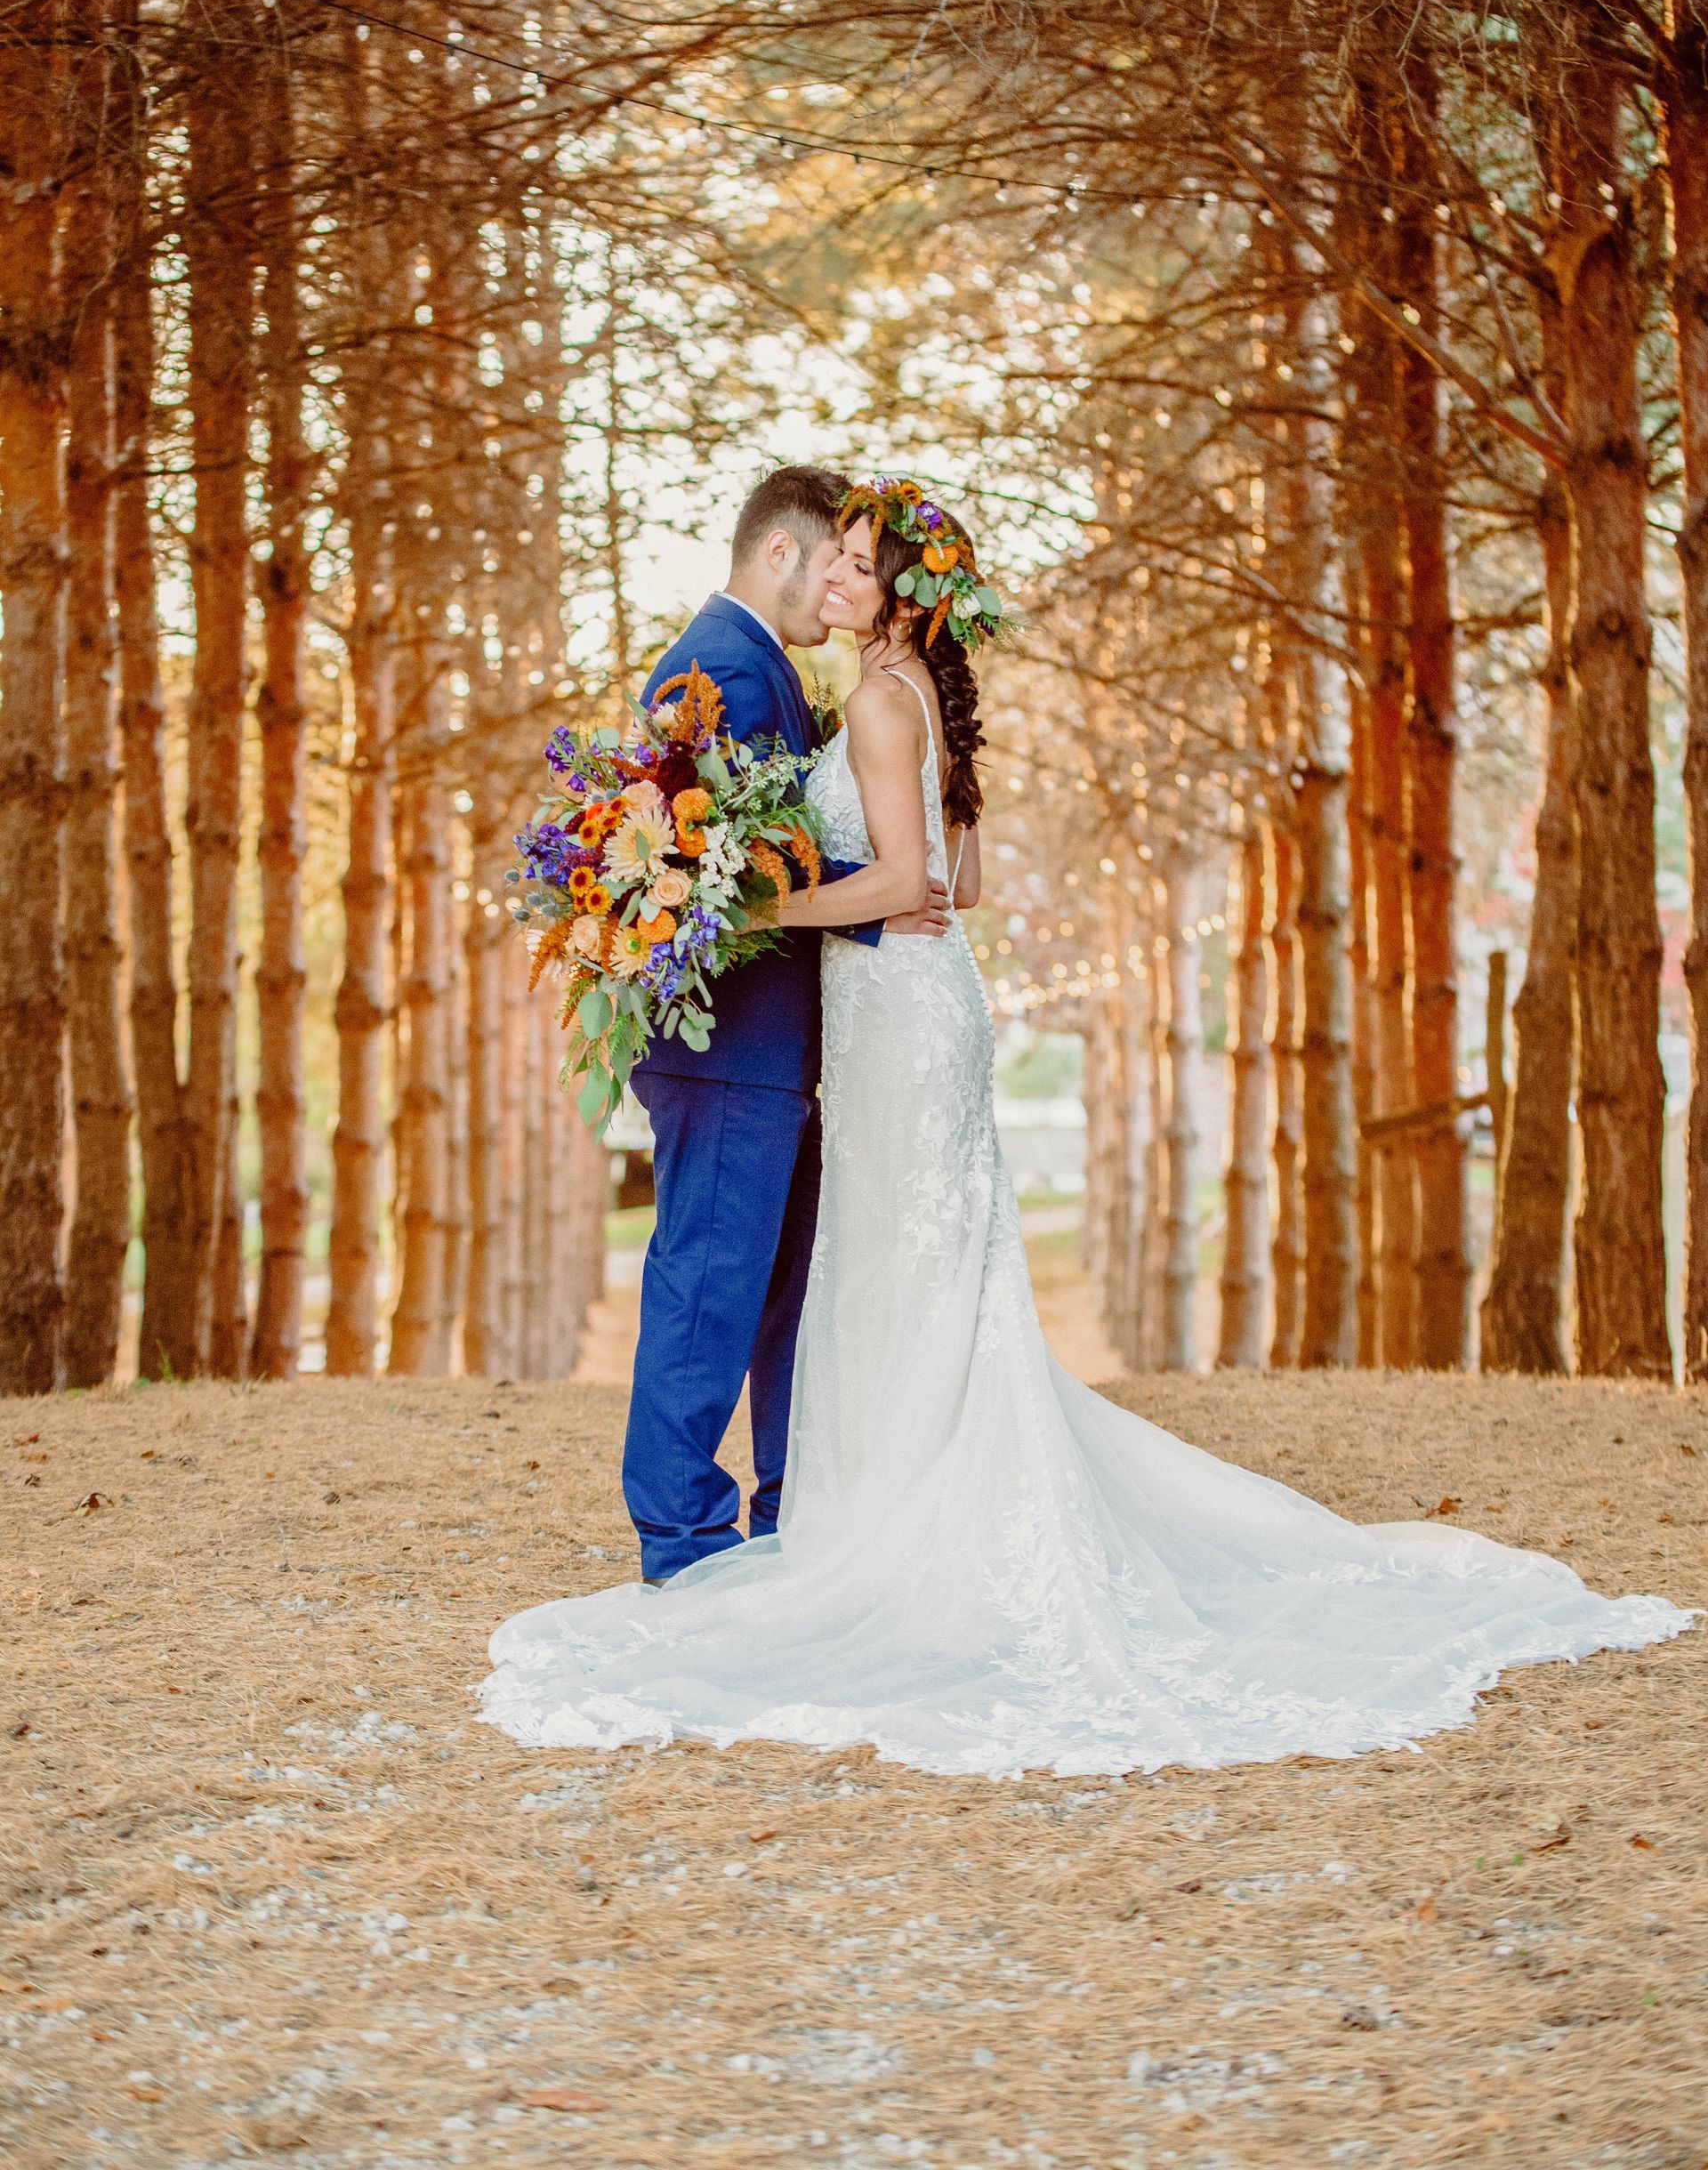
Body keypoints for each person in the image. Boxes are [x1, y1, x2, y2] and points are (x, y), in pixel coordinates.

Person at [482, 480, 1693, 1782]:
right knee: (868, 1273)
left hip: (885, 1012)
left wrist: (762, 910)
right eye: (824, 557)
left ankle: (831, 1518)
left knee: (886, 1271)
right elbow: (944, 875)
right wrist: (736, 901)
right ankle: (788, 1518)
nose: (834, 579)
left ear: (893, 588)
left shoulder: (867, 698)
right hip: (878, 1018)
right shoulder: (827, 684)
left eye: (853, 562)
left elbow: (910, 882)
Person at [616, 464, 949, 1587]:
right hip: (729, 1050)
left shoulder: (769, 671)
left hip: (784, 1046)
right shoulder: (719, 669)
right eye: (835, 562)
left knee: (775, 1294)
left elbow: (760, 853)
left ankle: (782, 1517)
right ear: (781, 555)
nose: (843, 587)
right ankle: (683, 1539)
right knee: (709, 1288)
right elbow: (719, 870)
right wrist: (887, 888)